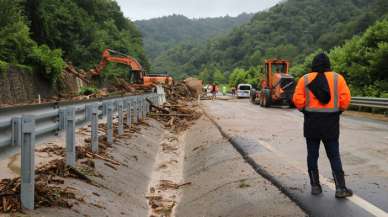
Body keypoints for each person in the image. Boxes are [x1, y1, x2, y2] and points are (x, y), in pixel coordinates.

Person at [292, 53, 353, 198]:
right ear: (328, 63)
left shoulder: (305, 79)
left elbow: (297, 100)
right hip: (331, 124)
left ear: (313, 64)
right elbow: (345, 100)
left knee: (312, 155)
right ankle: (340, 189)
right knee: (334, 155)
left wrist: (306, 110)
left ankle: (315, 187)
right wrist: (338, 111)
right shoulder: (338, 79)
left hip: (311, 123)